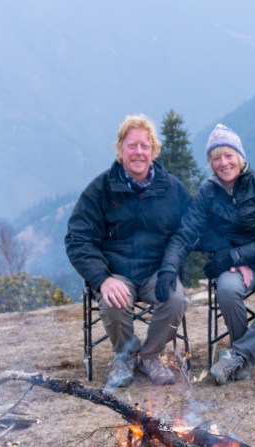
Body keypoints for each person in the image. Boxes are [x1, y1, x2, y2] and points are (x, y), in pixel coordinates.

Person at [159, 124, 255, 385]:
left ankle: (237, 355)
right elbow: (187, 233)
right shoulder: (207, 192)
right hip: (235, 265)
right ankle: (240, 360)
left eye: (228, 155)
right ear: (210, 163)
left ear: (240, 156)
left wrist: (234, 256)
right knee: (226, 290)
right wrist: (169, 267)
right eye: (216, 158)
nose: (223, 163)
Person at [65, 114, 191, 389]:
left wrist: (170, 268)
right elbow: (77, 239)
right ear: (120, 150)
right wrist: (102, 279)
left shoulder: (171, 188)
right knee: (113, 300)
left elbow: (188, 231)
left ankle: (150, 356)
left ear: (153, 151)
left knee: (175, 298)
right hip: (115, 272)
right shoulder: (100, 190)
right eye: (132, 145)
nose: (138, 152)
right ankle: (125, 355)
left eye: (145, 146)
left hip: (156, 271)